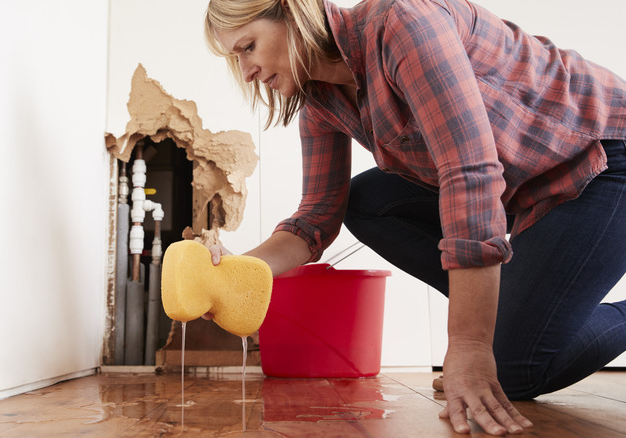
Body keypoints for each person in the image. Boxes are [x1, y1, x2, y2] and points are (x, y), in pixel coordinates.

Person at [203, 0, 626, 435]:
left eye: (248, 47)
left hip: (602, 161)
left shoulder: (403, 24)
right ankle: (502, 319)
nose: (247, 70)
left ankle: (495, 333)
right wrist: (237, 273)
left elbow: (470, 173)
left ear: (294, 13)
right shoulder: (320, 101)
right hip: (526, 190)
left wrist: (468, 344)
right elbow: (315, 219)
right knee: (365, 200)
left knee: (514, 372)